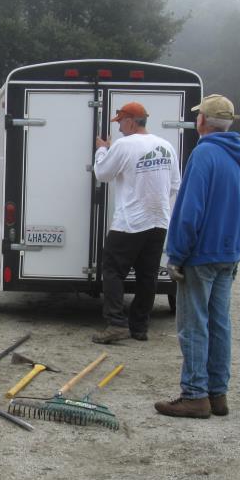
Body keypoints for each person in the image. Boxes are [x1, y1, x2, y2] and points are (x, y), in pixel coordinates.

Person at [155, 95, 240, 419]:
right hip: (228, 255)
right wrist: (237, 250)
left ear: (203, 122)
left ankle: (194, 395)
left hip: (200, 256)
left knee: (193, 325)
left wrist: (177, 255)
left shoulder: (204, 154)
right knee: (220, 324)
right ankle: (218, 394)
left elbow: (189, 211)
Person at [92, 102, 181, 344]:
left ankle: (116, 324)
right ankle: (139, 328)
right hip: (159, 221)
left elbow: (102, 174)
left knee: (112, 270)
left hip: (129, 222)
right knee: (147, 276)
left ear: (131, 120)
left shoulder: (124, 145)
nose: (119, 128)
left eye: (120, 122)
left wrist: (102, 150)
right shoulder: (165, 146)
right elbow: (175, 185)